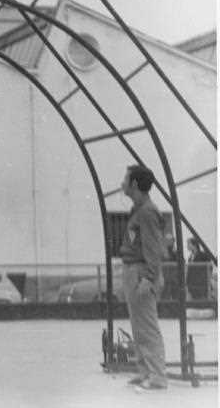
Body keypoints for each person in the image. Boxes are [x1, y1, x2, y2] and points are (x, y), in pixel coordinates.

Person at [119, 165, 167, 391]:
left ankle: (157, 376)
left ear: (135, 184)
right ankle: (145, 371)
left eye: (125, 179)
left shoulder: (147, 212)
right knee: (138, 326)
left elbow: (153, 249)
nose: (122, 183)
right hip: (134, 270)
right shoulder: (138, 210)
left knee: (147, 326)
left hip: (142, 273)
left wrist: (148, 278)